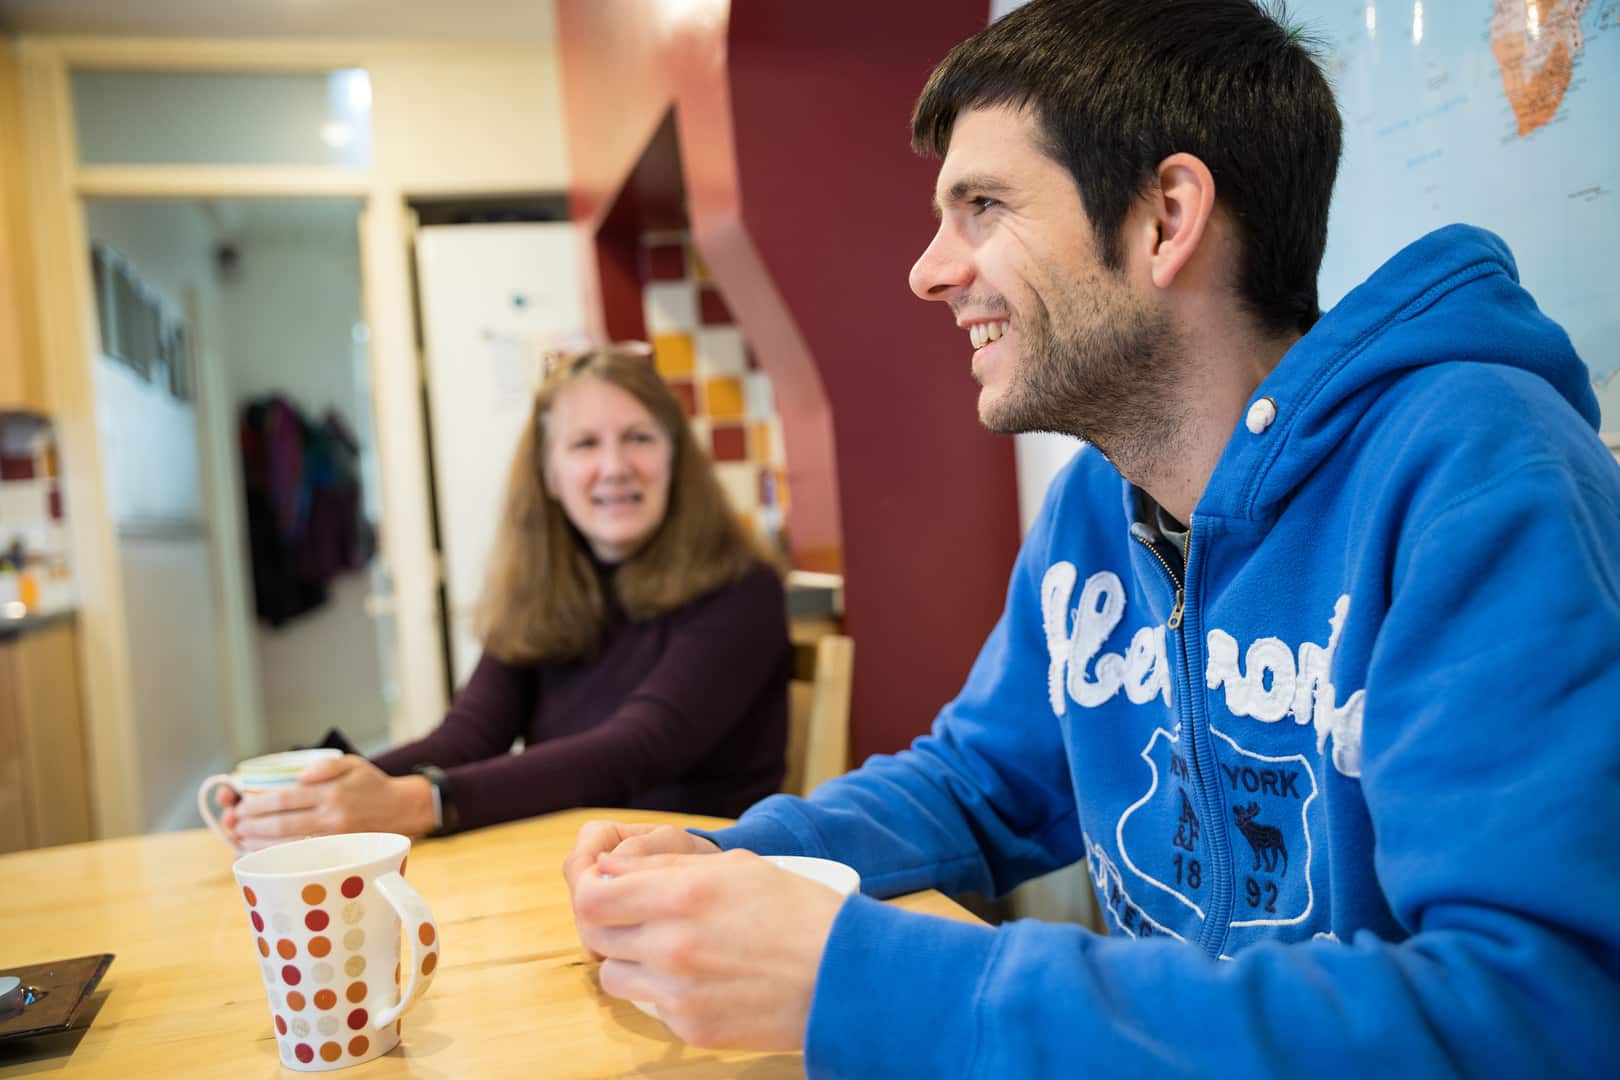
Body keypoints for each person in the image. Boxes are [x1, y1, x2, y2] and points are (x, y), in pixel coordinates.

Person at [561, 0, 1620, 1073]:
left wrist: (867, 980)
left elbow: (1534, 1008)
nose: (929, 271)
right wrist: (728, 859)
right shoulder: (1091, 505)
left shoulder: (1481, 475)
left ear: (1166, 218)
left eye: (983, 205)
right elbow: (980, 784)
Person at [223, 347, 791, 850]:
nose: (615, 467)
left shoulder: (743, 589)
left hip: (699, 874)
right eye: (585, 444)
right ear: (549, 474)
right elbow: (467, 738)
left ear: (675, 460)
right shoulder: (545, 590)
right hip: (571, 863)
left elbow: (634, 748)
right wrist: (318, 793)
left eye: (639, 438)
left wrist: (421, 802)